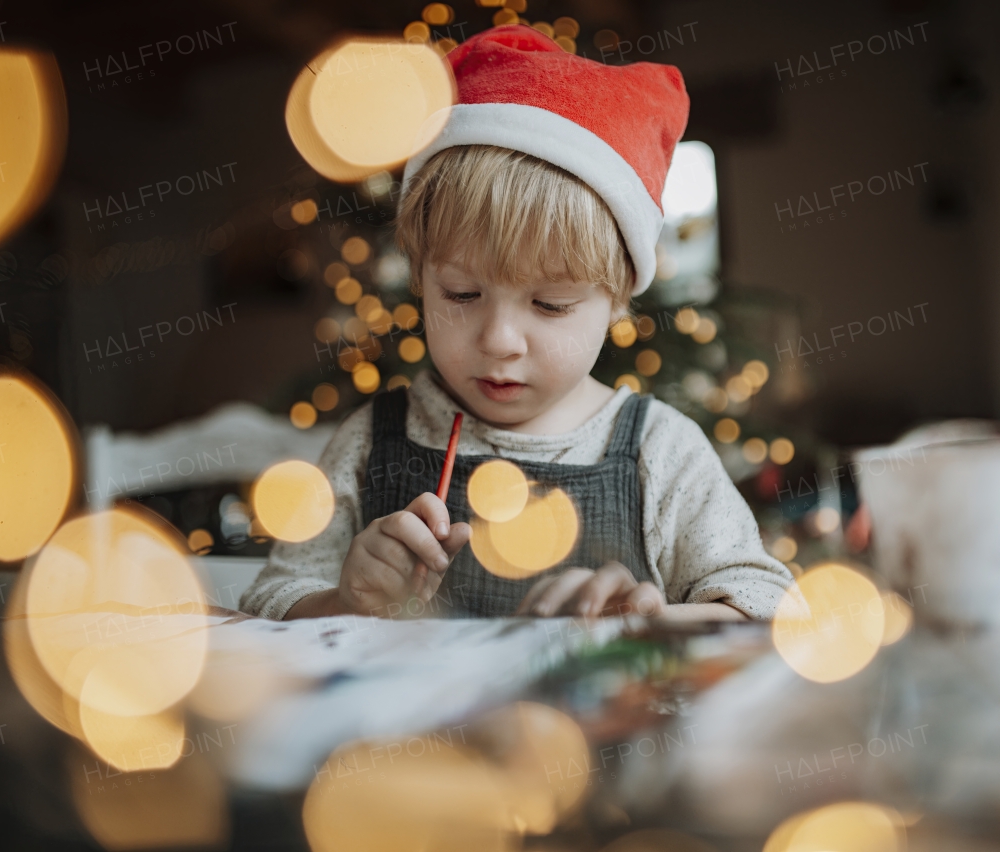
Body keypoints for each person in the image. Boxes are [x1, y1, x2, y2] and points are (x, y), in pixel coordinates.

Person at [240, 25, 793, 622]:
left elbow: (770, 607)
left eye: (551, 305)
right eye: (462, 293)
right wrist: (341, 600)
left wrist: (654, 622)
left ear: (616, 302)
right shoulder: (371, 440)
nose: (499, 341)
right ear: (421, 280)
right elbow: (269, 599)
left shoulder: (660, 452)